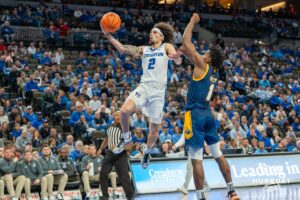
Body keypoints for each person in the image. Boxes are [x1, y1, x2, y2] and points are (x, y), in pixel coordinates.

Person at [102, 21, 182, 169]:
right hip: (144, 87)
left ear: (161, 36)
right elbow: (123, 49)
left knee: (154, 132)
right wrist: (108, 36)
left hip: (158, 92)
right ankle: (127, 139)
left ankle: (147, 150)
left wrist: (176, 57)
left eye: (155, 32)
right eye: (151, 32)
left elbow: (176, 59)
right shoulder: (144, 49)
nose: (151, 34)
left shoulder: (166, 46)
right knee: (124, 111)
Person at [181, 13, 239, 200]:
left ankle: (200, 197)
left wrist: (192, 21)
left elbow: (185, 41)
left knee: (197, 159)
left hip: (195, 114)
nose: (203, 53)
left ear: (208, 59)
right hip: (208, 115)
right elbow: (187, 50)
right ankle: (231, 190)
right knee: (218, 154)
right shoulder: (214, 71)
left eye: (205, 53)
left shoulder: (202, 64)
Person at [98, 112, 135, 200]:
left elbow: (129, 144)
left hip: (121, 154)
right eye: (117, 115)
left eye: (120, 115)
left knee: (124, 176)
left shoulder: (126, 128)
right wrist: (100, 148)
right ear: (114, 117)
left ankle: (130, 196)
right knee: (103, 174)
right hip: (110, 153)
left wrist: (122, 147)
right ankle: (105, 196)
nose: (118, 116)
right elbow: (106, 139)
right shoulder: (109, 127)